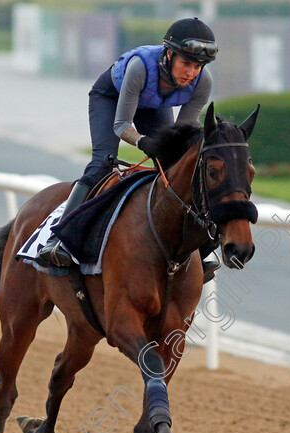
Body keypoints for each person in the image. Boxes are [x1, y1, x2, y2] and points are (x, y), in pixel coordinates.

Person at [35, 17, 221, 280]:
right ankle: (60, 240)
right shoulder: (140, 68)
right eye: (186, 63)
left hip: (154, 106)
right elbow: (121, 126)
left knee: (175, 169)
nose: (191, 73)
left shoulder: (203, 82)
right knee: (102, 163)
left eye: (198, 66)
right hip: (110, 98)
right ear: (168, 55)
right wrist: (144, 142)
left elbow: (183, 134)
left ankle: (200, 247)